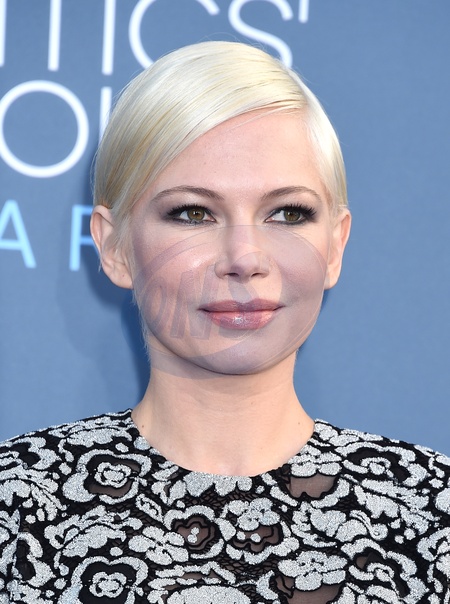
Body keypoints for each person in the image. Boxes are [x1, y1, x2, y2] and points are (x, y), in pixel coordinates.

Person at [0, 41, 449, 604]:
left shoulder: (431, 513)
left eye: (287, 213)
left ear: (335, 246)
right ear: (114, 247)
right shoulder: (16, 504)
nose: (244, 258)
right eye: (193, 213)